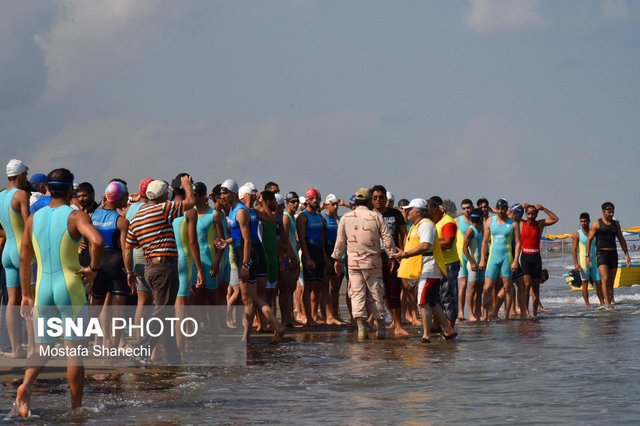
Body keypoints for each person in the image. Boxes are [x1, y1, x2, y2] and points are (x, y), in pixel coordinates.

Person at [15, 168, 104, 416]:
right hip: (70, 287)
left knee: (43, 348)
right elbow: (96, 241)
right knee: (73, 350)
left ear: (47, 189)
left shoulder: (34, 218)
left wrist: (25, 294)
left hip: (42, 288)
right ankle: (76, 407)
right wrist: (93, 269)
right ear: (69, 190)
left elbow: (24, 258)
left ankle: (26, 385)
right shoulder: (75, 217)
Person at [124, 176, 195, 364]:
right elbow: (190, 203)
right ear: (165, 195)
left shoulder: (137, 216)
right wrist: (187, 186)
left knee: (166, 312)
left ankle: (173, 357)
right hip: (164, 266)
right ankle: (140, 349)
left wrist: (129, 271)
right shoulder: (163, 208)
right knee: (162, 311)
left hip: (149, 267)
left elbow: (128, 247)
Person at [217, 179, 285, 343]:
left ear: (234, 194)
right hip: (251, 252)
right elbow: (242, 236)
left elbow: (247, 240)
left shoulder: (241, 212)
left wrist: (245, 264)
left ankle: (252, 335)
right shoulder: (243, 211)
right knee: (253, 297)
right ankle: (270, 328)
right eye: (221, 193)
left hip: (248, 254)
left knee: (248, 298)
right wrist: (227, 242)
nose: (222, 196)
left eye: (225, 193)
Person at [332, 188, 394, 340]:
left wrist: (337, 259)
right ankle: (381, 328)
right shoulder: (376, 216)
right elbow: (387, 239)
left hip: (353, 264)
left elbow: (340, 241)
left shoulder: (346, 217)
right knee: (376, 293)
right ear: (369, 201)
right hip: (373, 263)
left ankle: (361, 329)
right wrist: (392, 256)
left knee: (356, 295)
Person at [392, 198, 457, 343]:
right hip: (423, 269)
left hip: (429, 269)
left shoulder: (426, 225)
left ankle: (426, 335)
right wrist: (403, 255)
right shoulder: (416, 225)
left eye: (409, 209)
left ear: (417, 212)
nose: (406, 212)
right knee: (432, 302)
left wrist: (406, 255)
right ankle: (448, 329)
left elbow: (425, 245)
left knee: (422, 302)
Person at [89, 181, 130, 348]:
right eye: (125, 196)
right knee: (119, 311)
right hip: (115, 264)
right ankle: (113, 345)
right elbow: (126, 249)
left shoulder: (93, 217)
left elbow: (93, 245)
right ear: (120, 197)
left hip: (98, 264)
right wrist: (129, 271)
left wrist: (93, 266)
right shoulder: (121, 221)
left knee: (95, 309)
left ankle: (88, 343)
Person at [0, 159, 31, 358]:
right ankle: (33, 349)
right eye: (25, 175)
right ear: (20, 175)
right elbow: (28, 224)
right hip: (22, 250)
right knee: (29, 299)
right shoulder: (21, 194)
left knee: (11, 300)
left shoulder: (0, 195)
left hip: (7, 251)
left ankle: (15, 349)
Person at [297, 188, 339, 326]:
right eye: (312, 199)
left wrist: (325, 257)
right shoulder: (303, 217)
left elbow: (321, 237)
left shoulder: (319, 217)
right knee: (308, 287)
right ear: (307, 200)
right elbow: (302, 239)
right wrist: (307, 258)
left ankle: (320, 316)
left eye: (317, 199)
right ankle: (308, 317)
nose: (315, 201)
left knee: (319, 286)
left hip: (319, 253)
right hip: (309, 253)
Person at [371, 185, 409, 336]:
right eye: (375, 198)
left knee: (394, 291)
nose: (378, 200)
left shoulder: (395, 214)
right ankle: (387, 320)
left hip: (393, 258)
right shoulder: (369, 214)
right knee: (380, 293)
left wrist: (404, 254)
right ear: (371, 200)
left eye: (381, 197)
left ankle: (398, 326)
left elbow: (403, 234)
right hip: (374, 259)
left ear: (386, 199)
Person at [479, 198, 521, 321]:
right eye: (499, 208)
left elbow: (518, 243)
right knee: (487, 288)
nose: (501, 211)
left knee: (508, 287)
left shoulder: (513, 223)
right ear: (496, 209)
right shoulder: (490, 222)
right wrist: (482, 259)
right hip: (493, 258)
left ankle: (506, 315)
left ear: (507, 209)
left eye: (503, 208)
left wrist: (515, 260)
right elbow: (485, 242)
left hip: (506, 258)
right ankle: (485, 315)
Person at [586, 202, 631, 308]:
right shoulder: (597, 223)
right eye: (609, 212)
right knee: (605, 279)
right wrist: (587, 256)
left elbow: (621, 239)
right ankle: (607, 304)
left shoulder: (616, 224)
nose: (611, 214)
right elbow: (589, 240)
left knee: (611, 282)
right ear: (603, 212)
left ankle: (610, 302)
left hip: (613, 254)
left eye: (612, 211)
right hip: (601, 254)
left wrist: (627, 254)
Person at [126, 177, 154, 336]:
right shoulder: (148, 208)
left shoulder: (130, 208)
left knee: (142, 301)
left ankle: (139, 337)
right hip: (146, 254)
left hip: (134, 254)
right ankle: (146, 337)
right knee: (149, 301)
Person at [519, 203, 558, 317]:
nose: (530, 216)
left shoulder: (540, 224)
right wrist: (521, 206)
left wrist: (543, 208)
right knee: (526, 285)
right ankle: (526, 311)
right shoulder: (522, 223)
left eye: (533, 214)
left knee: (536, 287)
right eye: (529, 213)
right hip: (525, 257)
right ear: (526, 214)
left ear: (536, 215)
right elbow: (510, 215)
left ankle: (535, 313)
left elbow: (555, 219)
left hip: (536, 258)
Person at [428, 196, 460, 328]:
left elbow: (448, 243)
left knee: (448, 297)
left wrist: (428, 243)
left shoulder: (448, 222)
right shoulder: (435, 221)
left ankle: (450, 327)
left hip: (449, 264)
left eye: (429, 213)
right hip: (437, 263)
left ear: (436, 210)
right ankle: (436, 326)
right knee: (436, 297)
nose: (428, 216)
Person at [321, 193, 348, 324]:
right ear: (326, 205)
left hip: (338, 256)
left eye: (337, 203)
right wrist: (325, 256)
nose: (336, 206)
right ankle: (327, 315)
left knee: (336, 287)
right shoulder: (322, 218)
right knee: (325, 286)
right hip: (326, 255)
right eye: (333, 204)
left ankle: (336, 314)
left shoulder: (339, 219)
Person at [571, 213, 603, 309]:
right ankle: (587, 304)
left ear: (589, 221)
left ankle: (602, 302)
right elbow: (574, 250)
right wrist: (576, 263)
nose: (583, 223)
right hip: (583, 262)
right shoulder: (577, 234)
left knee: (598, 282)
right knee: (584, 283)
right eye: (581, 221)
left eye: (585, 221)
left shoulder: (593, 232)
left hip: (594, 261)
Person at [281, 191, 301, 327]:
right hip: (289, 256)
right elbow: (285, 238)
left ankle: (290, 317)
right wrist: (289, 255)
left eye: (296, 201)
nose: (295, 204)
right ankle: (286, 318)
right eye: (292, 201)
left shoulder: (293, 217)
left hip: (294, 253)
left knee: (291, 288)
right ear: (287, 203)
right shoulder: (286, 217)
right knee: (286, 289)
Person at [461, 208, 484, 321]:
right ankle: (471, 314)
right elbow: (464, 248)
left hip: (480, 264)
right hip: (473, 265)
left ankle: (478, 312)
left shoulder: (479, 230)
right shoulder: (470, 231)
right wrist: (471, 262)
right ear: (480, 219)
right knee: (471, 289)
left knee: (479, 290)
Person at [455, 199, 474, 321]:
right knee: (462, 285)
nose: (466, 210)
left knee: (474, 286)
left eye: (468, 207)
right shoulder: (457, 221)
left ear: (472, 208)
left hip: (473, 256)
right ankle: (461, 312)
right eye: (464, 208)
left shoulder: (476, 220)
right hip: (461, 256)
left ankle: (473, 311)